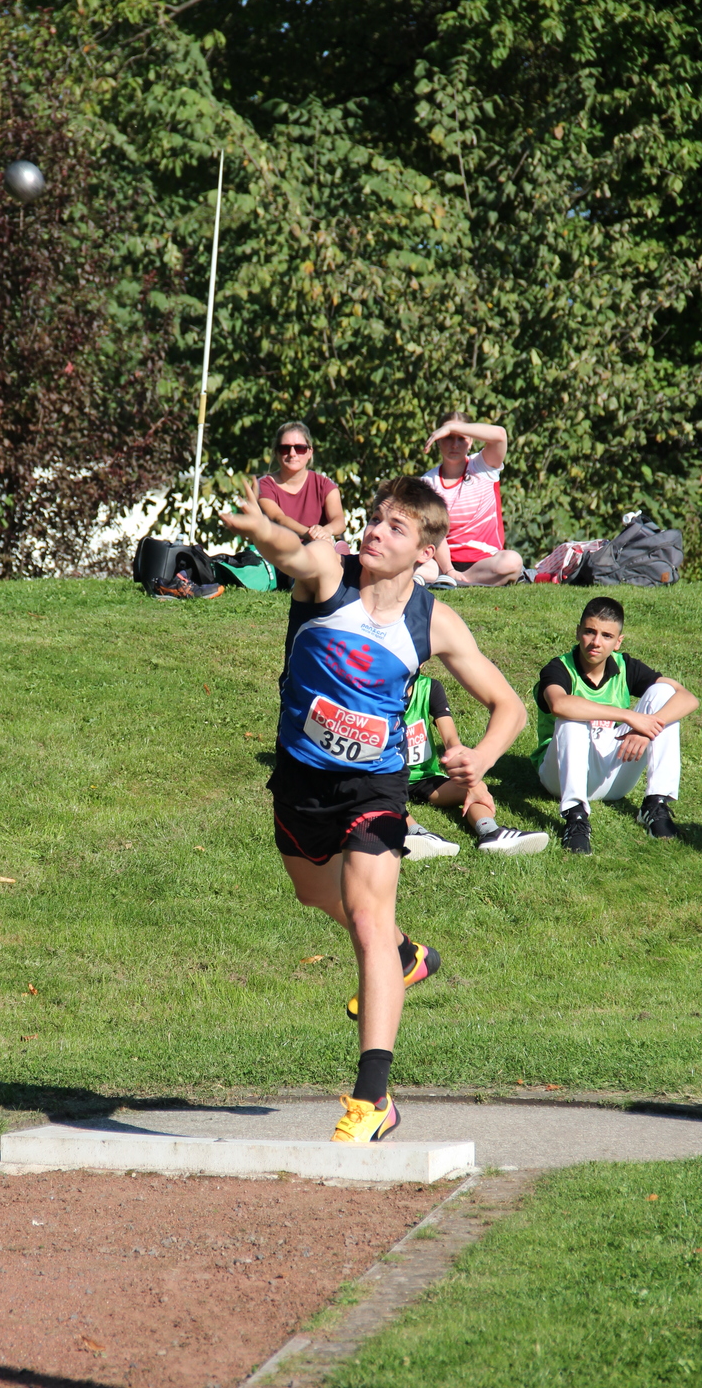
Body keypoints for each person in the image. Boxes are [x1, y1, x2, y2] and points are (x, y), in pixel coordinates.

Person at [221, 474, 526, 1145]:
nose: (374, 531)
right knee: (313, 895)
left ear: (425, 550)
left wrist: (481, 757)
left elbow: (510, 706)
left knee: (366, 916)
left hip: (376, 789)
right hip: (302, 779)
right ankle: (406, 956)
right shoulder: (331, 577)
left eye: (393, 526)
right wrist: (262, 533)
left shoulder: (434, 621)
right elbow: (293, 550)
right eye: (373, 518)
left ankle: (372, 1100)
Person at [532, 596, 698, 853]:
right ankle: (575, 817)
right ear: (578, 632)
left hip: (613, 774)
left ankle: (655, 805)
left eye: (606, 636)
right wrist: (630, 717)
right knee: (572, 716)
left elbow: (688, 698)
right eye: (589, 632)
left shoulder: (625, 666)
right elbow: (559, 705)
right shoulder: (558, 668)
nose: (596, 642)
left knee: (664, 693)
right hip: (559, 776)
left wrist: (646, 731)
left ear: (618, 641)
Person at [402, 673, 549, 858]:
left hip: (425, 777)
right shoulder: (374, 691)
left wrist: (469, 778)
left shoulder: (429, 687)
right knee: (379, 799)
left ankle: (491, 832)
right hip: (386, 776)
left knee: (473, 788)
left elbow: (450, 739)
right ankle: (415, 833)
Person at [417, 415, 524, 586]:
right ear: (438, 440)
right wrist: (449, 569)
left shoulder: (483, 466)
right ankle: (450, 578)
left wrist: (451, 428)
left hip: (484, 563)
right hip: (441, 562)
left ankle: (453, 581)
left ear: (471, 441)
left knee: (512, 561)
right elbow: (436, 532)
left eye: (461, 438)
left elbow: (500, 435)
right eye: (448, 437)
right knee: (405, 560)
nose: (454, 444)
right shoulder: (427, 483)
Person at [257, 422, 347, 547]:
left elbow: (339, 521)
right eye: (285, 449)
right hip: (276, 557)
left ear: (310, 452)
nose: (292, 454)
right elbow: (278, 518)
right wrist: (311, 534)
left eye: (299, 448)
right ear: (276, 453)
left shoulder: (325, 485)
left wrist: (326, 531)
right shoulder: (263, 485)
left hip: (317, 552)